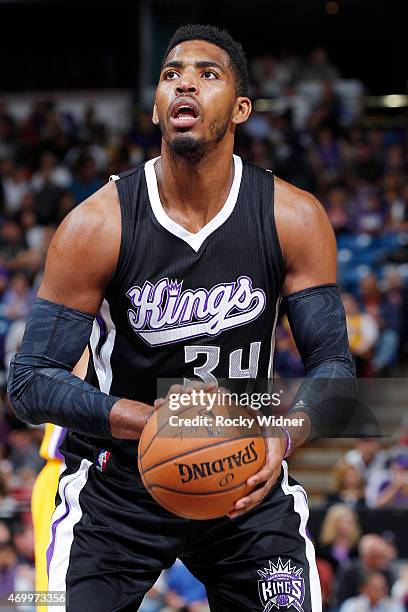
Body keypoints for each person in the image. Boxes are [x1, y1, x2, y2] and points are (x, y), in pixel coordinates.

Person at [8, 25, 355, 611]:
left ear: (241, 108)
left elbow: (336, 369)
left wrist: (285, 434)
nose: (185, 84)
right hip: (120, 483)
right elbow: (29, 380)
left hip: (244, 477)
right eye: (172, 75)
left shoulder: (292, 217)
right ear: (156, 108)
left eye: (207, 73)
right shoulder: (98, 225)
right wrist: (145, 423)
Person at [339, 571, 404, 612]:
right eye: (376, 588)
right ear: (363, 589)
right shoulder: (351, 605)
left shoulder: (394, 605)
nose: (380, 591)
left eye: (383, 588)